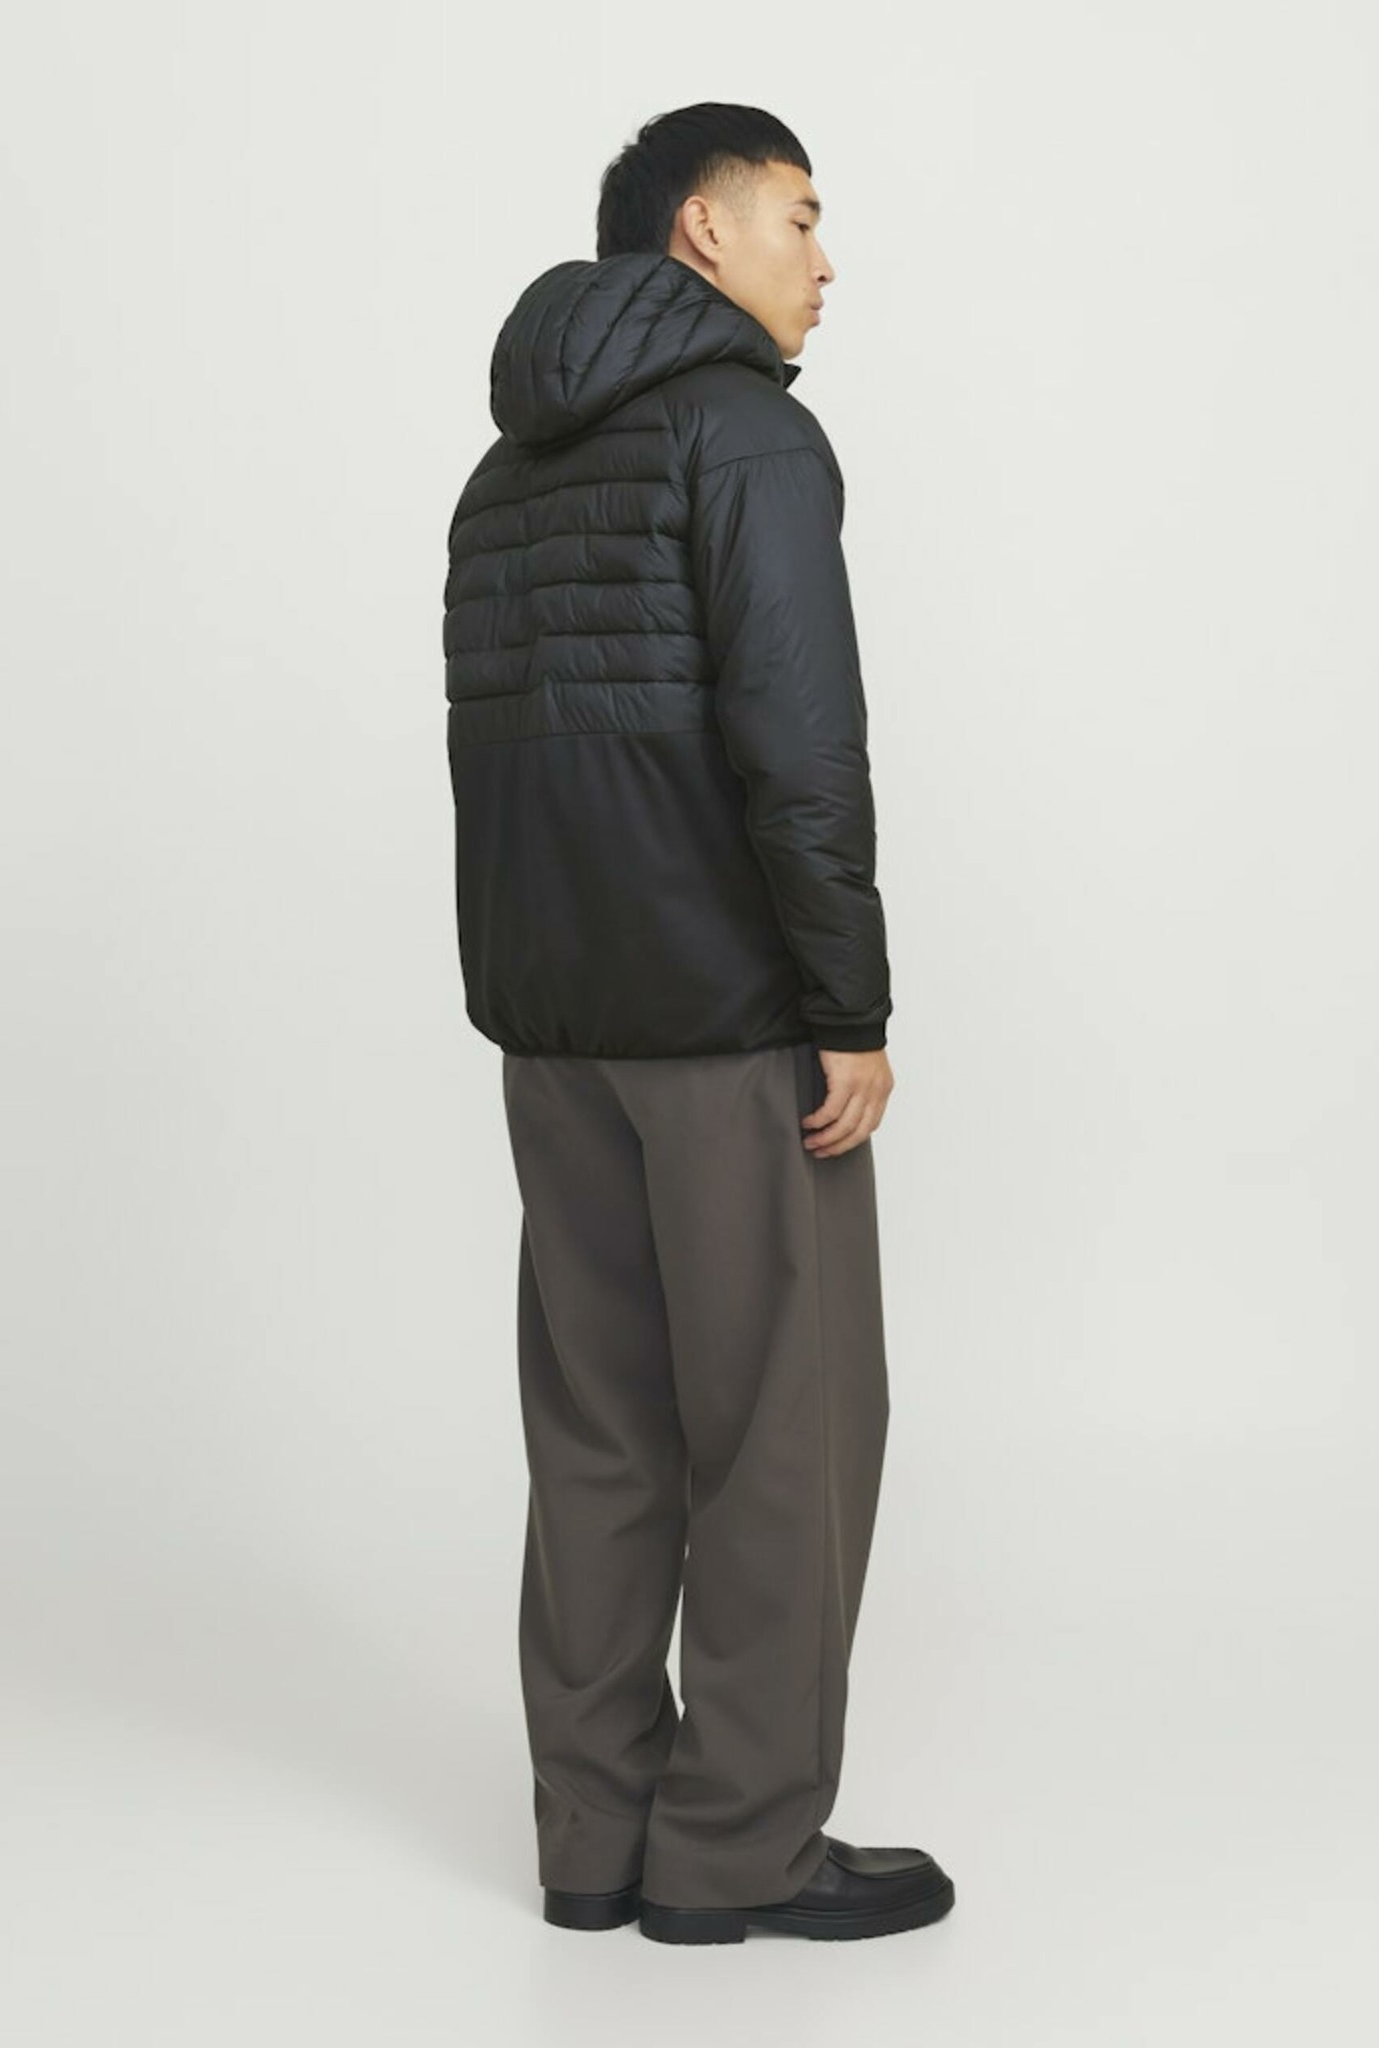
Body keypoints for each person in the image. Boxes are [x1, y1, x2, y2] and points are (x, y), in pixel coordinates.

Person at [441, 101, 954, 1945]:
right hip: (729, 1032)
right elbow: (801, 750)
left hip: (555, 1033)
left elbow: (502, 760)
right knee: (786, 1431)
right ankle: (735, 1852)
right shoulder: (749, 433)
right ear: (702, 230)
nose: (828, 259)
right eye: (800, 215)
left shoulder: (505, 471)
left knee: (600, 1434)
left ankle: (593, 1840)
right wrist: (847, 1004)